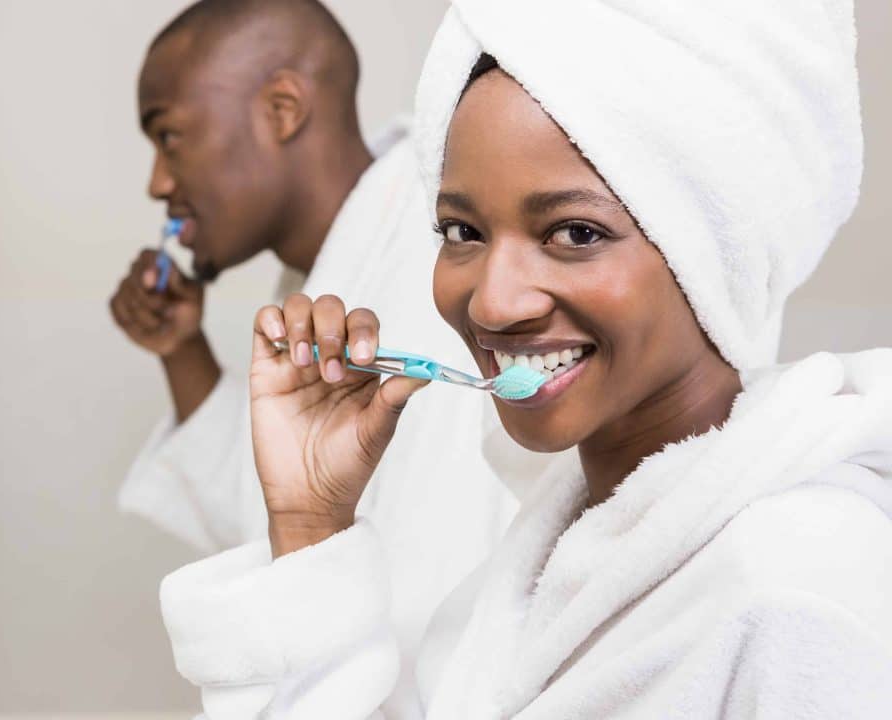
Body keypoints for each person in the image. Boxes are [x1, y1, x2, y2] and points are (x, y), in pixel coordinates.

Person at [158, 1, 892, 717]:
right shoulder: (530, 574)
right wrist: (310, 524)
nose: (491, 304)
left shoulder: (799, 588)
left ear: (712, 252)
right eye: (462, 230)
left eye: (575, 233)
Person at [110, 2, 520, 712]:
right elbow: (280, 508)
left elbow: (426, 602)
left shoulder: (430, 270)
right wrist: (182, 350)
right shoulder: (329, 272)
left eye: (170, 136)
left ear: (281, 109)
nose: (157, 182)